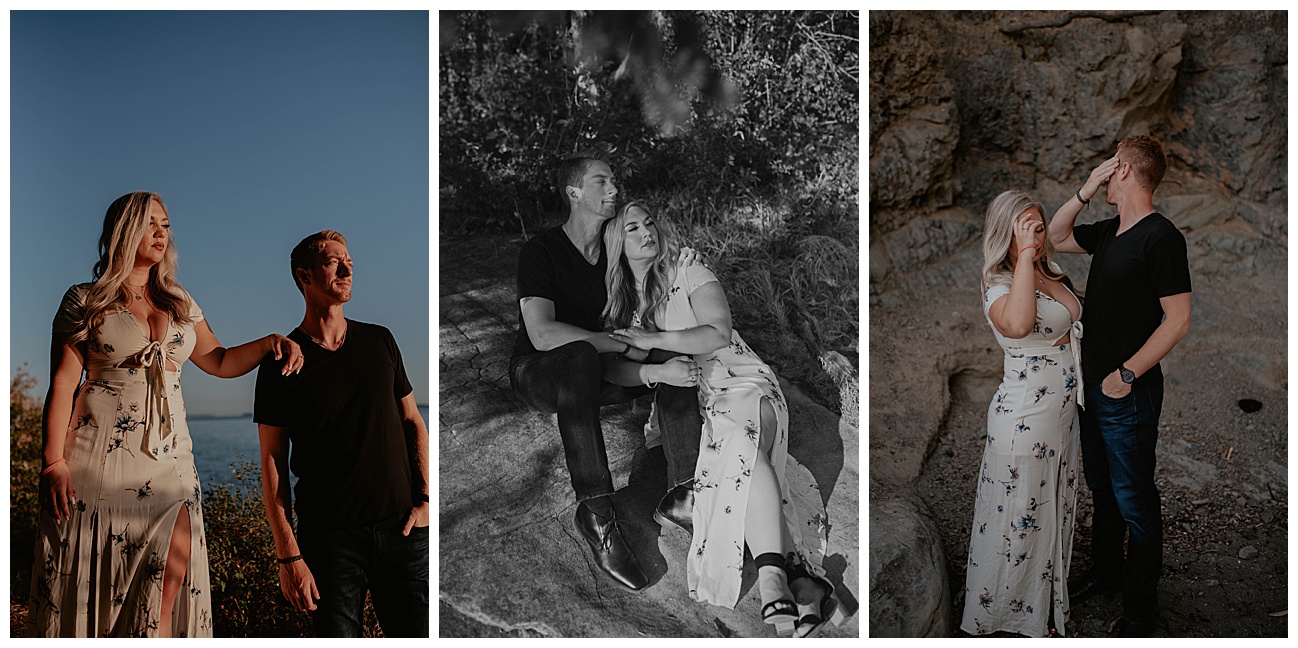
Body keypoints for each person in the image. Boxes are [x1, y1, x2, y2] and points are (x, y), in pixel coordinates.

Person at [30, 191, 304, 637]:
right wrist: (53, 462)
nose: (162, 232)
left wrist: (271, 341)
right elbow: (63, 382)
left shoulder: (179, 300)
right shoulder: (85, 299)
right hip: (95, 461)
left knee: (169, 578)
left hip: (172, 463)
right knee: (98, 580)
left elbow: (219, 360)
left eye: (166, 224)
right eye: (151, 222)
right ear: (124, 230)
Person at [601, 201, 844, 637]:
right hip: (696, 399)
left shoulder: (686, 268)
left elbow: (716, 331)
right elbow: (613, 368)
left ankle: (771, 577)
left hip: (741, 378)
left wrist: (653, 339)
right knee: (739, 455)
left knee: (737, 437)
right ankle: (806, 582)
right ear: (616, 243)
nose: (646, 233)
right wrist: (652, 368)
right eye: (632, 228)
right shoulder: (624, 307)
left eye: (649, 222)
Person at [508, 154, 705, 591]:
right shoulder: (541, 251)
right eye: (603, 181)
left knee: (669, 358)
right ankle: (596, 512)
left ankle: (685, 492)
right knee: (579, 353)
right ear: (574, 192)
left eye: (615, 180)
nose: (614, 188)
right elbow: (541, 334)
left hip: (599, 372)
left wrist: (684, 258)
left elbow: (655, 272)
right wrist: (617, 342)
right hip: (540, 374)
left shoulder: (611, 254)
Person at [253, 230, 429, 637]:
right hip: (331, 543)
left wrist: (424, 500)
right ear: (305, 276)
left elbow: (412, 421)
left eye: (349, 261)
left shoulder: (380, 340)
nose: (348, 270)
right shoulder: (281, 362)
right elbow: (272, 460)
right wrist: (288, 555)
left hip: (403, 529)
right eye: (334, 262)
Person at [1048, 136, 1191, 637]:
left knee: (1136, 502)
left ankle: (1139, 613)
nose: (1105, 174)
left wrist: (1127, 374)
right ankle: (1106, 573)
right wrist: (1085, 189)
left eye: (1110, 167)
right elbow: (1055, 237)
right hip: (1093, 387)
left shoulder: (1162, 237)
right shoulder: (1112, 230)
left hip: (1127, 393)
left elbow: (1178, 320)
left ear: (1125, 169)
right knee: (1102, 489)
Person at [960, 190, 1083, 637]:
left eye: (1038, 223)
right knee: (1017, 514)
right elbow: (1017, 326)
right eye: (1025, 225)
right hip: (1024, 418)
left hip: (1060, 418)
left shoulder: (1050, 271)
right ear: (1006, 231)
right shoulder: (999, 281)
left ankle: (1038, 610)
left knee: (1045, 511)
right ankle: (1001, 619)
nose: (1036, 231)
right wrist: (1027, 256)